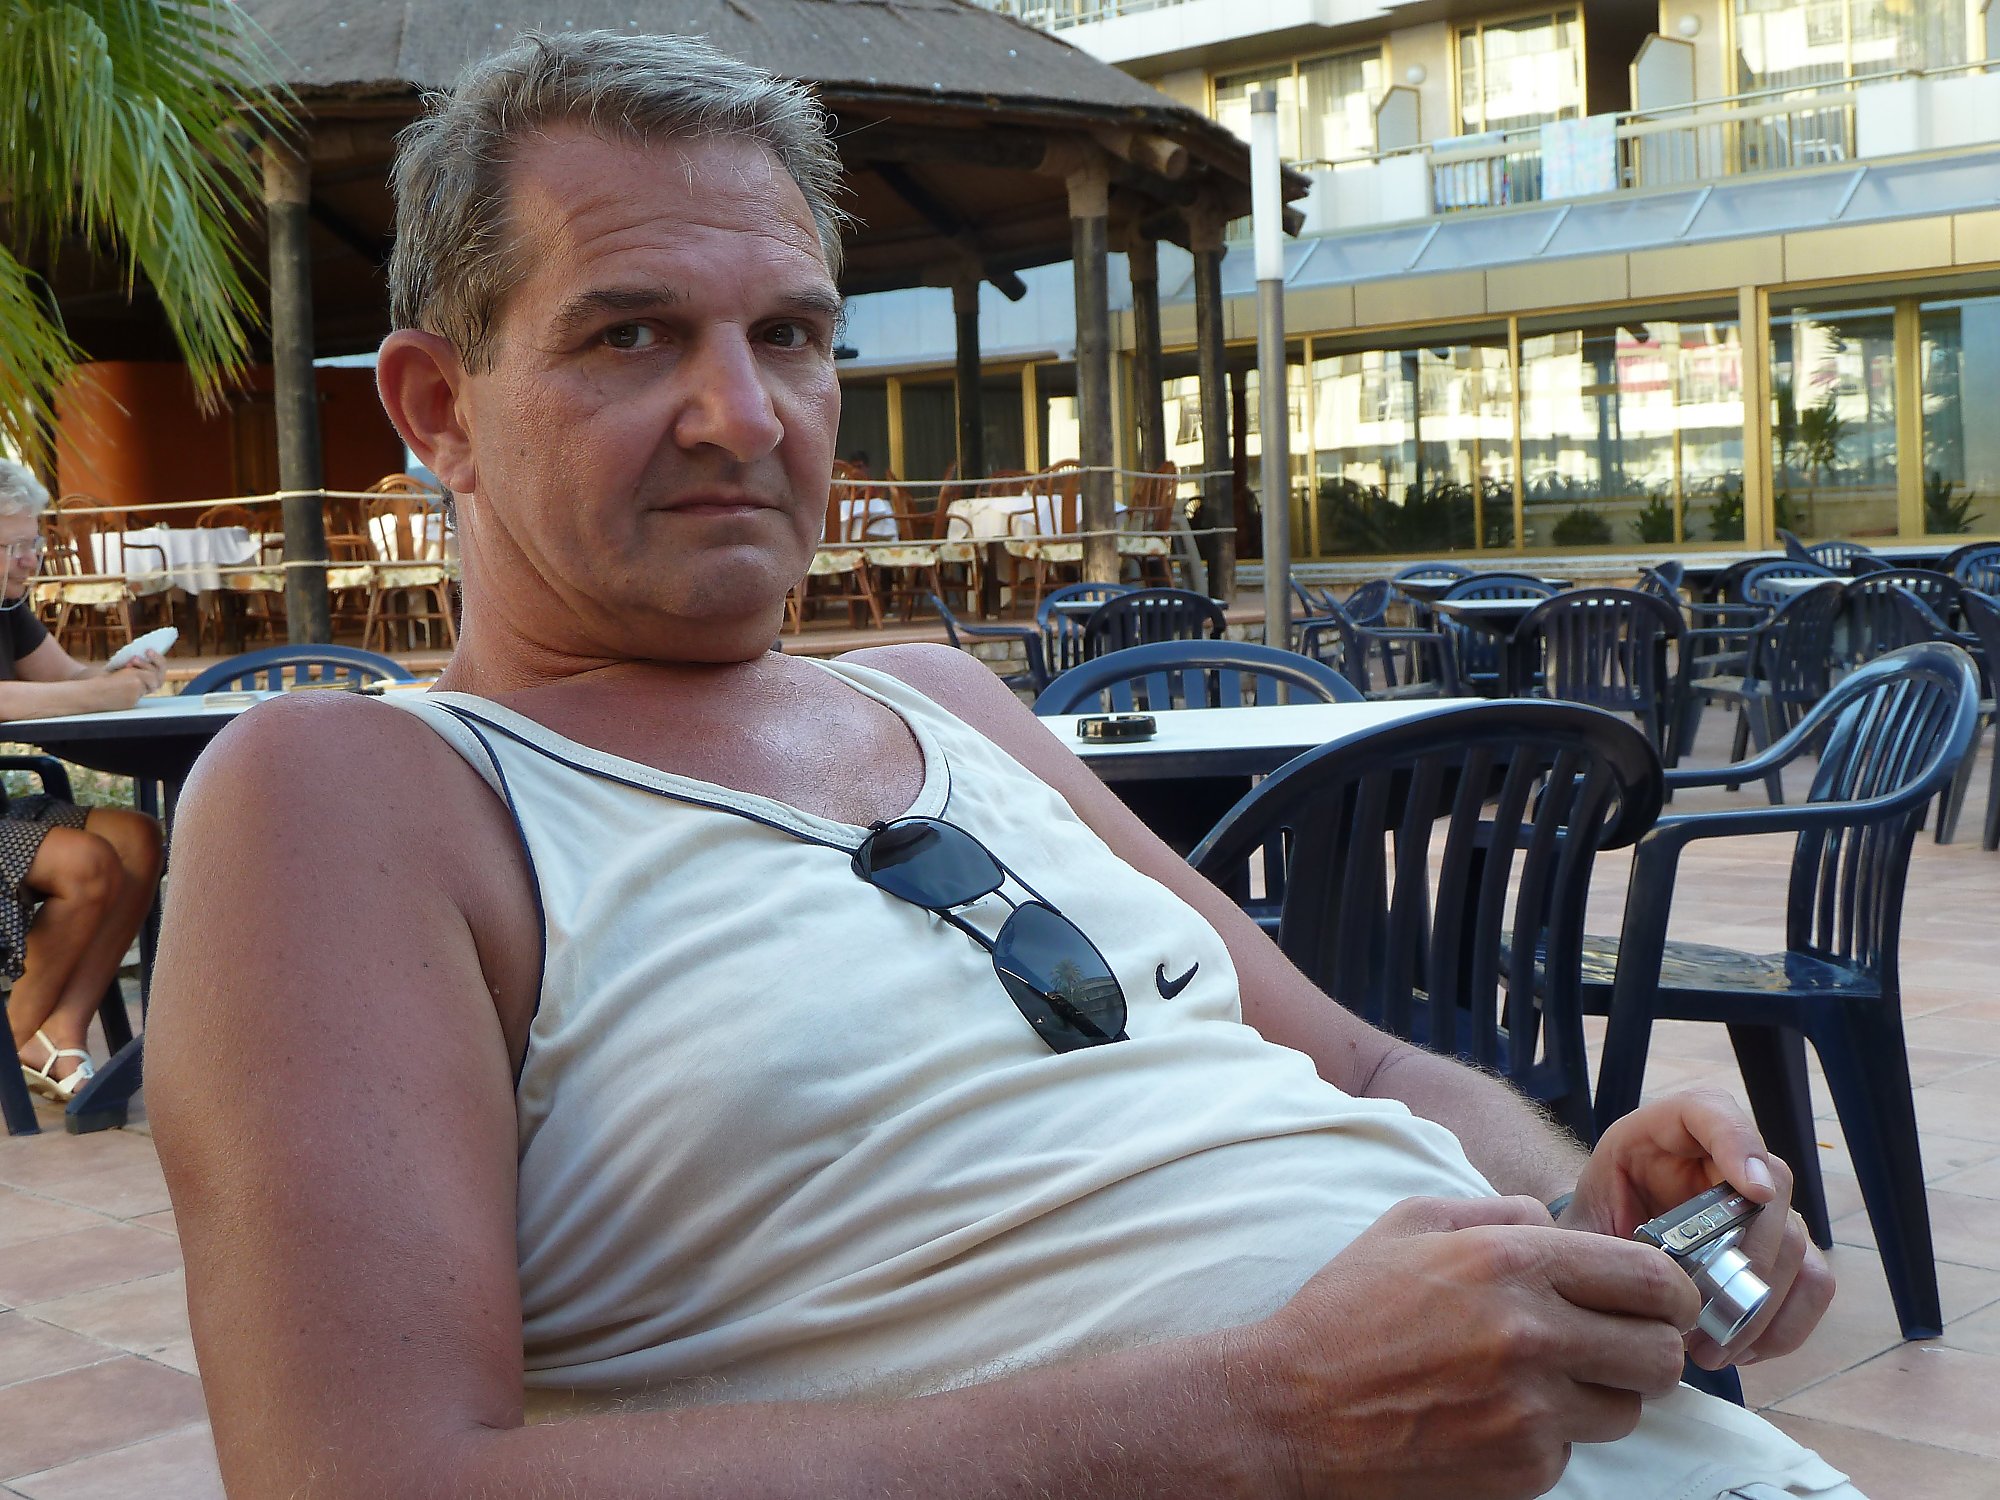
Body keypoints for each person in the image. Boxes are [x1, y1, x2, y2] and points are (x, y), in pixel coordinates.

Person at [147, 31, 1849, 1500]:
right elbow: (361, 1478)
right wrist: (1269, 1413)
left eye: (791, 335)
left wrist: (1585, 1209)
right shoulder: (367, 795)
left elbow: (1366, 1067)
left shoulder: (945, 698)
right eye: (631, 337)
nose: (746, 416)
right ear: (438, 408)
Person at [0, 461, 165, 1102]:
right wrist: (103, 693)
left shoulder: (8, 606)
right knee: (87, 864)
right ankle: (12, 1043)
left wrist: (119, 673)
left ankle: (61, 1030)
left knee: (139, 838)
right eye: (14, 545)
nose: (29, 559)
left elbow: (66, 679)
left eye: (32, 541)